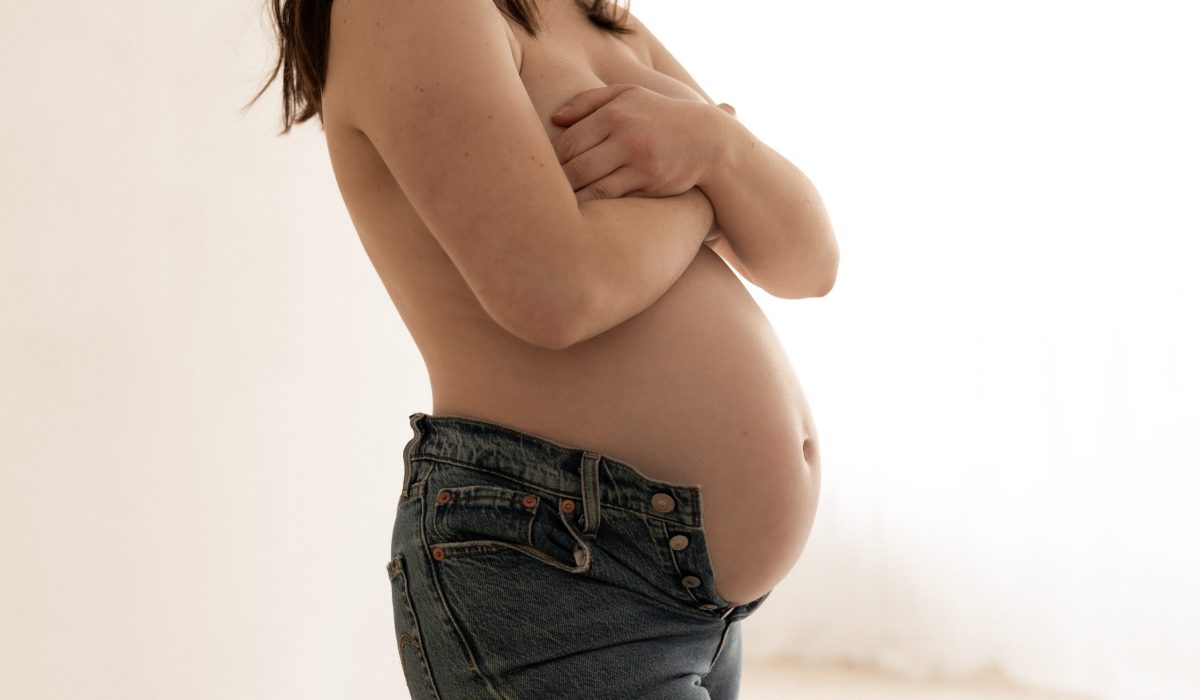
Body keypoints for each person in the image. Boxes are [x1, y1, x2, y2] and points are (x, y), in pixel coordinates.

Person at [248, 0, 838, 697]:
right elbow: (558, 293)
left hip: (669, 586)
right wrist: (709, 184)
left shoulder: (583, 11)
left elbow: (809, 263)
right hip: (559, 567)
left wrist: (715, 149)